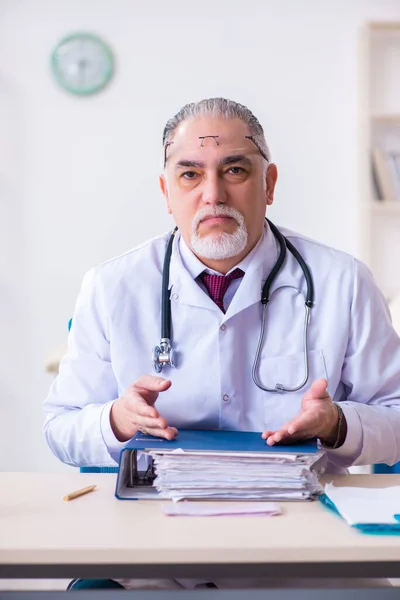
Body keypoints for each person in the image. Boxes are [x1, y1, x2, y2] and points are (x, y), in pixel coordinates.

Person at [43, 97, 400, 590]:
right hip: (152, 558)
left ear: (269, 184)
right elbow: (60, 426)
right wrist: (117, 420)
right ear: (167, 191)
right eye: (190, 175)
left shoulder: (343, 282)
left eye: (235, 170)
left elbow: (397, 415)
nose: (213, 194)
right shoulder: (112, 286)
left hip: (308, 555)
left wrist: (340, 422)